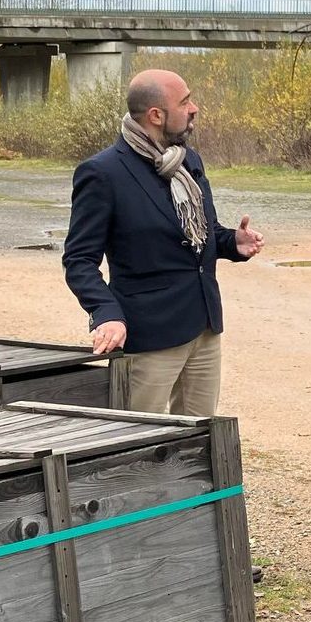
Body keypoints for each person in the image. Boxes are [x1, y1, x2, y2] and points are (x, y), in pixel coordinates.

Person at [62, 68, 264, 416]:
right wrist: (106, 313)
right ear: (156, 115)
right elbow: (79, 260)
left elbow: (202, 233)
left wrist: (233, 243)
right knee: (139, 445)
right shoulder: (103, 173)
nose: (194, 108)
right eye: (184, 102)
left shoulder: (189, 161)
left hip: (203, 326)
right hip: (149, 335)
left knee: (198, 445)